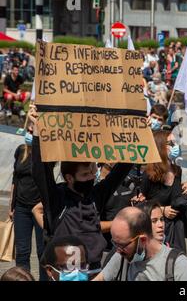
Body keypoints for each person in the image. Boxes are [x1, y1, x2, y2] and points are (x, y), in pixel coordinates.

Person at [28, 105, 133, 270]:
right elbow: (40, 171)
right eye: (85, 175)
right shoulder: (57, 198)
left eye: (92, 171)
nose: (91, 177)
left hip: (95, 270)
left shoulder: (96, 194)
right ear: (69, 178)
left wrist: (138, 135)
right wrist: (37, 132)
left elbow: (119, 172)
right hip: (67, 272)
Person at [97, 207, 187, 281]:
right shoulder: (123, 256)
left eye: (122, 245)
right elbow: (100, 278)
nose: (118, 250)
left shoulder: (178, 265)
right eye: (115, 243)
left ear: (142, 240)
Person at [139, 130, 187, 253]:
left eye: (176, 143)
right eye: (171, 143)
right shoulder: (149, 175)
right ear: (160, 147)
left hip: (176, 230)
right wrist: (163, 210)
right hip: (156, 231)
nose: (176, 147)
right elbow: (140, 205)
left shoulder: (177, 170)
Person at [94, 201, 167, 281]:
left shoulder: (173, 259)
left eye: (162, 219)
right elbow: (101, 278)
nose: (160, 225)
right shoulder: (124, 252)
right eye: (154, 221)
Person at [9, 125, 45, 280]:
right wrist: (12, 206)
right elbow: (15, 179)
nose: (29, 134)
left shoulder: (44, 153)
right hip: (21, 208)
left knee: (42, 251)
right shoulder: (21, 150)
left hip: (40, 208)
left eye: (33, 131)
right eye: (29, 131)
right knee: (22, 250)